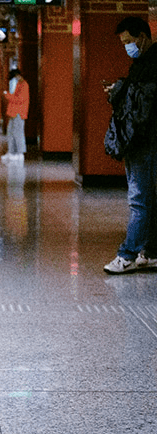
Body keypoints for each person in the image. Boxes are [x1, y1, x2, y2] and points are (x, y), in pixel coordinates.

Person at [103, 16, 157, 273]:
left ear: (142, 37)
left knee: (139, 200)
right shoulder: (141, 63)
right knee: (150, 199)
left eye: (128, 41)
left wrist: (120, 92)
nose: (127, 47)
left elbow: (142, 107)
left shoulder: (150, 65)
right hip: (144, 141)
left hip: (144, 142)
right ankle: (151, 251)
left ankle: (128, 254)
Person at [1, 69, 29, 164]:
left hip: (19, 112)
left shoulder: (24, 85)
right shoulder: (19, 84)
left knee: (18, 133)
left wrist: (7, 95)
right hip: (14, 112)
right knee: (11, 132)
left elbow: (19, 99)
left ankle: (20, 153)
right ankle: (11, 152)